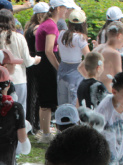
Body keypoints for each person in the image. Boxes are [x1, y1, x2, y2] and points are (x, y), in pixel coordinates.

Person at [0, 9, 39, 116]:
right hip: (19, 78)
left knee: (4, 109)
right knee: (20, 109)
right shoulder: (19, 38)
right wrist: (36, 60)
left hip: (3, 78)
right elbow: (27, 61)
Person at [34, 0, 63, 142]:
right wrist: (58, 67)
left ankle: (45, 131)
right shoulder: (51, 25)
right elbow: (48, 50)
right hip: (47, 63)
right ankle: (45, 133)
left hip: (43, 62)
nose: (67, 11)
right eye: (65, 8)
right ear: (58, 9)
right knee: (47, 100)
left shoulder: (47, 24)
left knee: (46, 100)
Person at [57, 8, 89, 107]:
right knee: (74, 104)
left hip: (62, 69)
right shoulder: (80, 38)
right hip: (76, 72)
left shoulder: (61, 34)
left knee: (62, 104)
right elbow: (88, 56)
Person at [24, 3, 47, 133]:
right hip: (36, 62)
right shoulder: (37, 28)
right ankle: (33, 124)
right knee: (34, 95)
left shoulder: (28, 26)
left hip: (30, 63)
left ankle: (32, 123)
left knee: (32, 94)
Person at [92, 21, 123, 94]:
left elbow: (82, 68)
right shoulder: (114, 54)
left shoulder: (97, 48)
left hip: (93, 90)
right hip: (106, 92)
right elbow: (120, 79)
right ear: (119, 36)